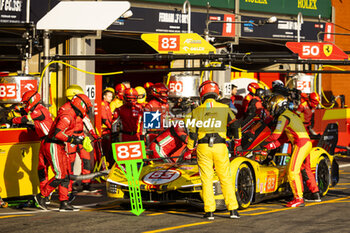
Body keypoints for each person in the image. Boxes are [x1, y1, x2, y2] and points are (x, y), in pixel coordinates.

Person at [185, 80, 241, 220]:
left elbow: (193, 133)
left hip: (203, 147)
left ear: (202, 94)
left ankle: (209, 212)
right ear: (216, 93)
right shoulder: (225, 108)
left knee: (206, 179)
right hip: (221, 146)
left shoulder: (196, 111)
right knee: (225, 178)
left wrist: (189, 148)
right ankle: (233, 210)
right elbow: (235, 125)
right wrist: (237, 141)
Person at [35, 94, 93, 211]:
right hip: (53, 144)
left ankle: (64, 202)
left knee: (66, 175)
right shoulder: (68, 114)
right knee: (60, 175)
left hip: (59, 145)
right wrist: (73, 139)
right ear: (81, 105)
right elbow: (58, 133)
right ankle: (41, 196)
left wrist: (78, 139)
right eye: (86, 107)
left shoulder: (70, 112)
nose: (87, 110)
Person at [264, 95, 313, 207]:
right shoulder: (291, 114)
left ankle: (298, 198)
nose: (271, 108)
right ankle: (298, 195)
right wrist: (272, 145)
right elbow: (284, 138)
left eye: (272, 106)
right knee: (293, 169)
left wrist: (263, 142)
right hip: (304, 142)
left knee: (292, 170)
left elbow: (276, 135)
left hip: (301, 143)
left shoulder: (283, 117)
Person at [12, 91, 53, 202]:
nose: (25, 105)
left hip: (51, 142)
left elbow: (26, 118)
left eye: (26, 103)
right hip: (45, 142)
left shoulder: (38, 110)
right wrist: (20, 111)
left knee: (58, 172)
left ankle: (59, 195)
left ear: (31, 100)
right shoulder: (39, 110)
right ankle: (46, 195)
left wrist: (13, 119)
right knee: (41, 169)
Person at [65, 85, 98, 193]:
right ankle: (68, 186)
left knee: (87, 160)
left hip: (81, 136)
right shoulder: (65, 109)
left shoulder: (80, 108)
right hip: (71, 138)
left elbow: (87, 121)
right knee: (70, 162)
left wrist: (94, 134)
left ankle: (86, 183)